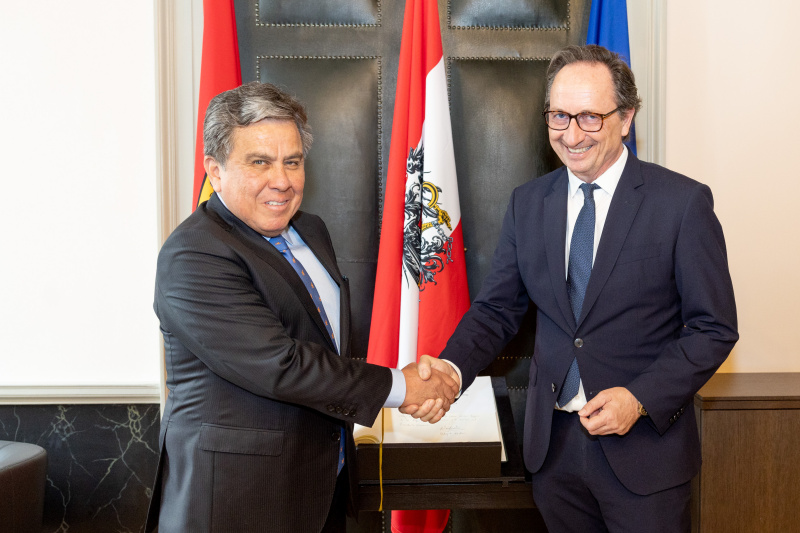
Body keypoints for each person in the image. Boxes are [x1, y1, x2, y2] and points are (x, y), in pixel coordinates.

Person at [411, 45, 738, 532]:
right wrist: (452, 371)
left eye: (590, 117)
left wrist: (640, 396)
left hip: (645, 452)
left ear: (626, 118)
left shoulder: (682, 203)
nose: (571, 133)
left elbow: (714, 328)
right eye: (560, 115)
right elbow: (497, 309)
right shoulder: (528, 203)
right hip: (554, 452)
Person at [145, 82, 458, 533]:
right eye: (260, 162)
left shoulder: (310, 230)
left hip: (318, 488)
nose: (282, 180)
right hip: (236, 503)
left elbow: (324, 340)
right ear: (214, 170)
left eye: (292, 161)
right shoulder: (194, 255)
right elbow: (280, 363)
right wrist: (401, 387)